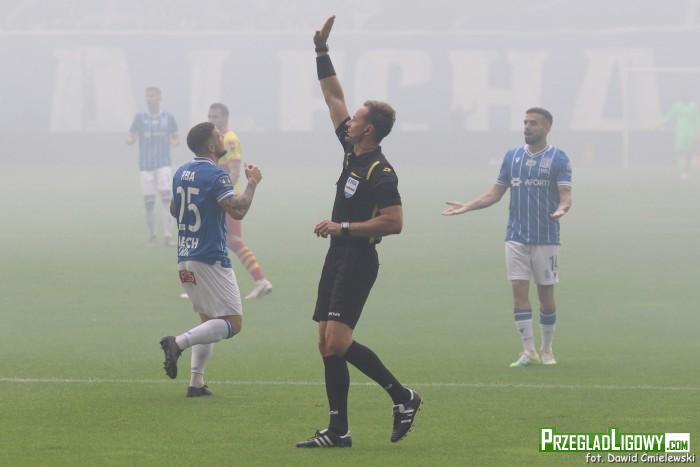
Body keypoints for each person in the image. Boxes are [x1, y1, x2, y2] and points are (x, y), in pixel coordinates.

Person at [296, 16, 422, 449]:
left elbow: (395, 221)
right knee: (325, 343)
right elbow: (334, 96)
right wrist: (321, 51)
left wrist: (343, 226)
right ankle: (339, 431)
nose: (348, 121)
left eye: (356, 119)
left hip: (359, 258)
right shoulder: (352, 150)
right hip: (337, 255)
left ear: (368, 129)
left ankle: (403, 396)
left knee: (337, 340)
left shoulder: (380, 171)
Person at [442, 108, 572, 368]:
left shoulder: (558, 158)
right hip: (515, 237)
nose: (527, 127)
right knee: (518, 290)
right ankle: (528, 351)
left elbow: (566, 196)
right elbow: (495, 193)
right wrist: (468, 206)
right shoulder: (512, 157)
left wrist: (562, 209)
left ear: (547, 127)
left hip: (546, 237)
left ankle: (547, 349)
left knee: (546, 295)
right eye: (525, 122)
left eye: (533, 123)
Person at [159, 122, 262, 397]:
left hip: (185, 256)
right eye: (218, 135)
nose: (223, 138)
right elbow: (238, 210)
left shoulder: (181, 172)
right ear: (210, 145)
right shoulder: (217, 175)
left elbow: (174, 209)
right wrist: (252, 183)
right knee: (233, 323)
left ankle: (196, 382)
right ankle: (177, 343)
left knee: (208, 320)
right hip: (209, 257)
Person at [208, 103, 273, 299]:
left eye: (215, 116)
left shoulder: (229, 140)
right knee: (220, 240)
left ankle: (261, 281)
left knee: (232, 240)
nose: (212, 120)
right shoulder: (218, 139)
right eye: (210, 116)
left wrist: (221, 193)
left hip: (227, 198)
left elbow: (235, 172)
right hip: (223, 197)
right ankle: (208, 285)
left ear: (225, 117)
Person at [127, 86, 179, 245]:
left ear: (159, 98)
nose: (149, 99)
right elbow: (131, 135)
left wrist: (175, 142)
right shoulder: (140, 118)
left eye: (152, 96)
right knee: (149, 203)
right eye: (147, 96)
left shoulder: (168, 117)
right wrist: (130, 139)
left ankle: (168, 235)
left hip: (163, 164)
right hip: (145, 166)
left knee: (166, 198)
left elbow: (175, 136)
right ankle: (152, 236)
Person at [660, 96, 700, 180]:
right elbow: (670, 116)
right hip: (680, 133)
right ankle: (681, 168)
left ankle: (686, 171)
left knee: (689, 152)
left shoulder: (693, 107)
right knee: (679, 151)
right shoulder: (676, 107)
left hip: (690, 133)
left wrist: (697, 132)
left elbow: (697, 120)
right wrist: (662, 122)